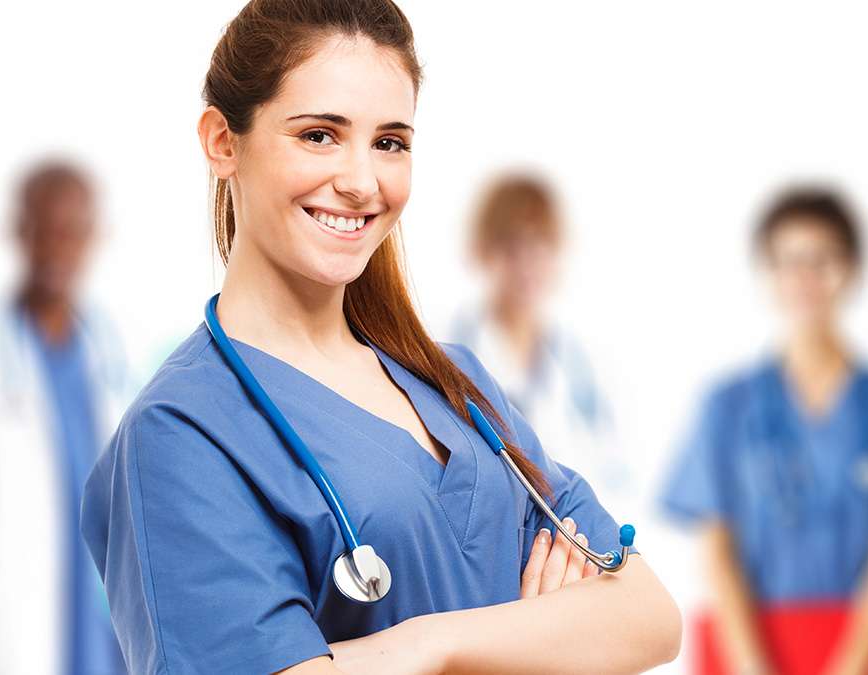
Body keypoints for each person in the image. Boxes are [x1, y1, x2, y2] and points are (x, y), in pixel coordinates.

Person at [80, 1, 681, 674]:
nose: (363, 182)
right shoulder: (180, 435)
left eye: (389, 142)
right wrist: (544, 636)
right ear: (224, 141)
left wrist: (426, 647)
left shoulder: (456, 383)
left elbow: (651, 614)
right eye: (318, 135)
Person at [659, 186, 868, 675]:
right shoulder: (726, 406)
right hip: (748, 644)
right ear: (768, 274)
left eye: (823, 260)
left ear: (853, 268)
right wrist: (753, 666)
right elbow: (715, 548)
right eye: (789, 261)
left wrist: (852, 666)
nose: (806, 277)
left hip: (861, 646)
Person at [0, 160, 130, 674]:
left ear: (94, 236)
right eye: (41, 229)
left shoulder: (108, 356)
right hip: (3, 635)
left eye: (70, 232)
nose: (54, 248)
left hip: (103, 634)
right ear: (18, 232)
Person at [450, 172, 629, 497]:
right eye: (512, 246)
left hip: (575, 535)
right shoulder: (450, 355)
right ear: (483, 250)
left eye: (541, 245)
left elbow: (612, 468)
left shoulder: (584, 364)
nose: (527, 263)